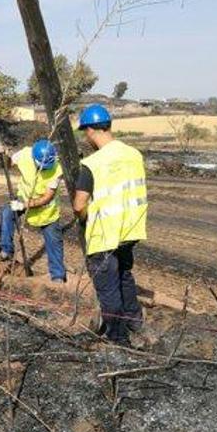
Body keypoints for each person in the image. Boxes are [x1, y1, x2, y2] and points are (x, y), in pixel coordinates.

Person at [72, 104, 148, 346]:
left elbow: (78, 204)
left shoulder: (93, 164)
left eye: (86, 132)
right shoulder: (134, 155)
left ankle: (118, 338)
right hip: (130, 230)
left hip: (105, 234)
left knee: (108, 288)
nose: (87, 137)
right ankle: (135, 322)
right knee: (124, 275)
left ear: (91, 130)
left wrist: (84, 218)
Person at [0, 139, 66, 282]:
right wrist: (3, 156)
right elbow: (8, 164)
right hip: (24, 196)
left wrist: (24, 205)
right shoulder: (25, 154)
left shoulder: (57, 169)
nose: (44, 169)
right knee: (7, 212)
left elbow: (47, 197)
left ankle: (58, 276)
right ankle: (6, 250)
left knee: (54, 242)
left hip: (47, 211)